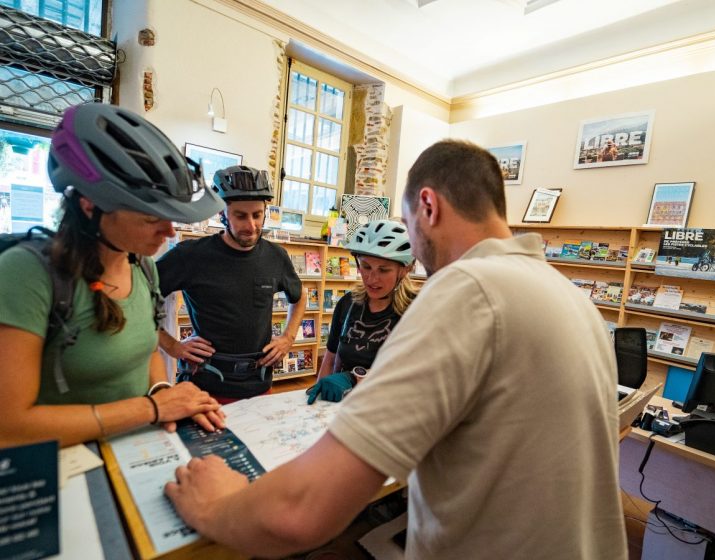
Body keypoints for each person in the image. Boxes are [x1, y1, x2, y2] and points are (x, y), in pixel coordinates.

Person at [165, 140, 627, 559]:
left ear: (427, 205)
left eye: (407, 225)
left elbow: (302, 512)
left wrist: (218, 506)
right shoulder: (571, 297)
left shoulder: (467, 290)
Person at [0, 103, 226, 448]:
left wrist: (165, 393)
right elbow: (11, 426)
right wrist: (151, 407)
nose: (168, 231)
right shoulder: (27, 274)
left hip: (134, 451)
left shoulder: (143, 267)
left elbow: (148, 349)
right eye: (152, 218)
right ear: (91, 205)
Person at [156, 165, 305, 402]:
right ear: (222, 213)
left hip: (260, 386)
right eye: (240, 216)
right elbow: (139, 296)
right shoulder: (190, 255)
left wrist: (288, 337)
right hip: (204, 388)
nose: (251, 226)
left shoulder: (276, 256)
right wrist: (172, 345)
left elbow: (299, 297)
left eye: (257, 215)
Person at [306, 219, 418, 404]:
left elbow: (414, 375)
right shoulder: (347, 304)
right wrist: (318, 395)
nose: (372, 278)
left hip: (390, 410)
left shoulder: (416, 309)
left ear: (404, 270)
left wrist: (353, 378)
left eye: (383, 270)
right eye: (366, 266)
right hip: (343, 407)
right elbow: (330, 358)